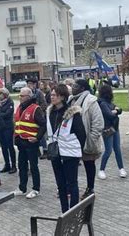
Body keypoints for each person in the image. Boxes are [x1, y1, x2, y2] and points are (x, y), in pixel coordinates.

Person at [47, 84, 86, 213]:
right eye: (51, 95)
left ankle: (73, 211)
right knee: (60, 184)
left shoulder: (73, 114)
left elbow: (81, 134)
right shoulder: (50, 112)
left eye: (55, 95)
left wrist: (75, 149)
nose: (52, 97)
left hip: (70, 154)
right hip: (55, 153)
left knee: (72, 183)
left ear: (62, 97)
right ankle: (64, 211)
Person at [68, 79, 104, 198]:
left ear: (83, 88)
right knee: (71, 165)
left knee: (89, 164)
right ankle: (71, 188)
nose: (73, 88)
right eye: (72, 85)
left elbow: (98, 122)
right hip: (72, 140)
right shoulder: (71, 100)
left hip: (86, 139)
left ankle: (90, 188)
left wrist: (92, 138)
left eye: (75, 86)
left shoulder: (90, 101)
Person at [12, 87, 47, 199]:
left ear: (29, 96)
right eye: (20, 95)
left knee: (33, 166)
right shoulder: (20, 107)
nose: (20, 98)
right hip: (21, 142)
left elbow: (43, 124)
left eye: (22, 96)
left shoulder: (35, 108)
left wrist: (37, 137)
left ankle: (36, 189)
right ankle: (22, 188)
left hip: (31, 142)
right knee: (22, 166)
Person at [97, 84, 127, 179]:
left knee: (117, 149)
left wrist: (116, 111)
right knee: (108, 150)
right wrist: (115, 111)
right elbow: (110, 115)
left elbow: (120, 110)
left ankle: (121, 168)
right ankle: (101, 170)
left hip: (115, 128)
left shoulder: (109, 103)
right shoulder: (103, 103)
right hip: (107, 129)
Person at [0, 88, 17, 174]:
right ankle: (7, 164)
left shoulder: (10, 102)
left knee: (10, 146)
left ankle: (14, 165)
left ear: (5, 95)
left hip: (8, 127)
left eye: (1, 94)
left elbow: (7, 114)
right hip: (0, 127)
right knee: (3, 147)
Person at [26, 78, 48, 159]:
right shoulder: (27, 93)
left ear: (35, 85)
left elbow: (44, 104)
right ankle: (37, 151)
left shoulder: (38, 93)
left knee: (40, 134)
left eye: (31, 83)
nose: (29, 85)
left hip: (38, 115)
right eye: (28, 84)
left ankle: (45, 150)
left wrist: (37, 110)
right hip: (29, 117)